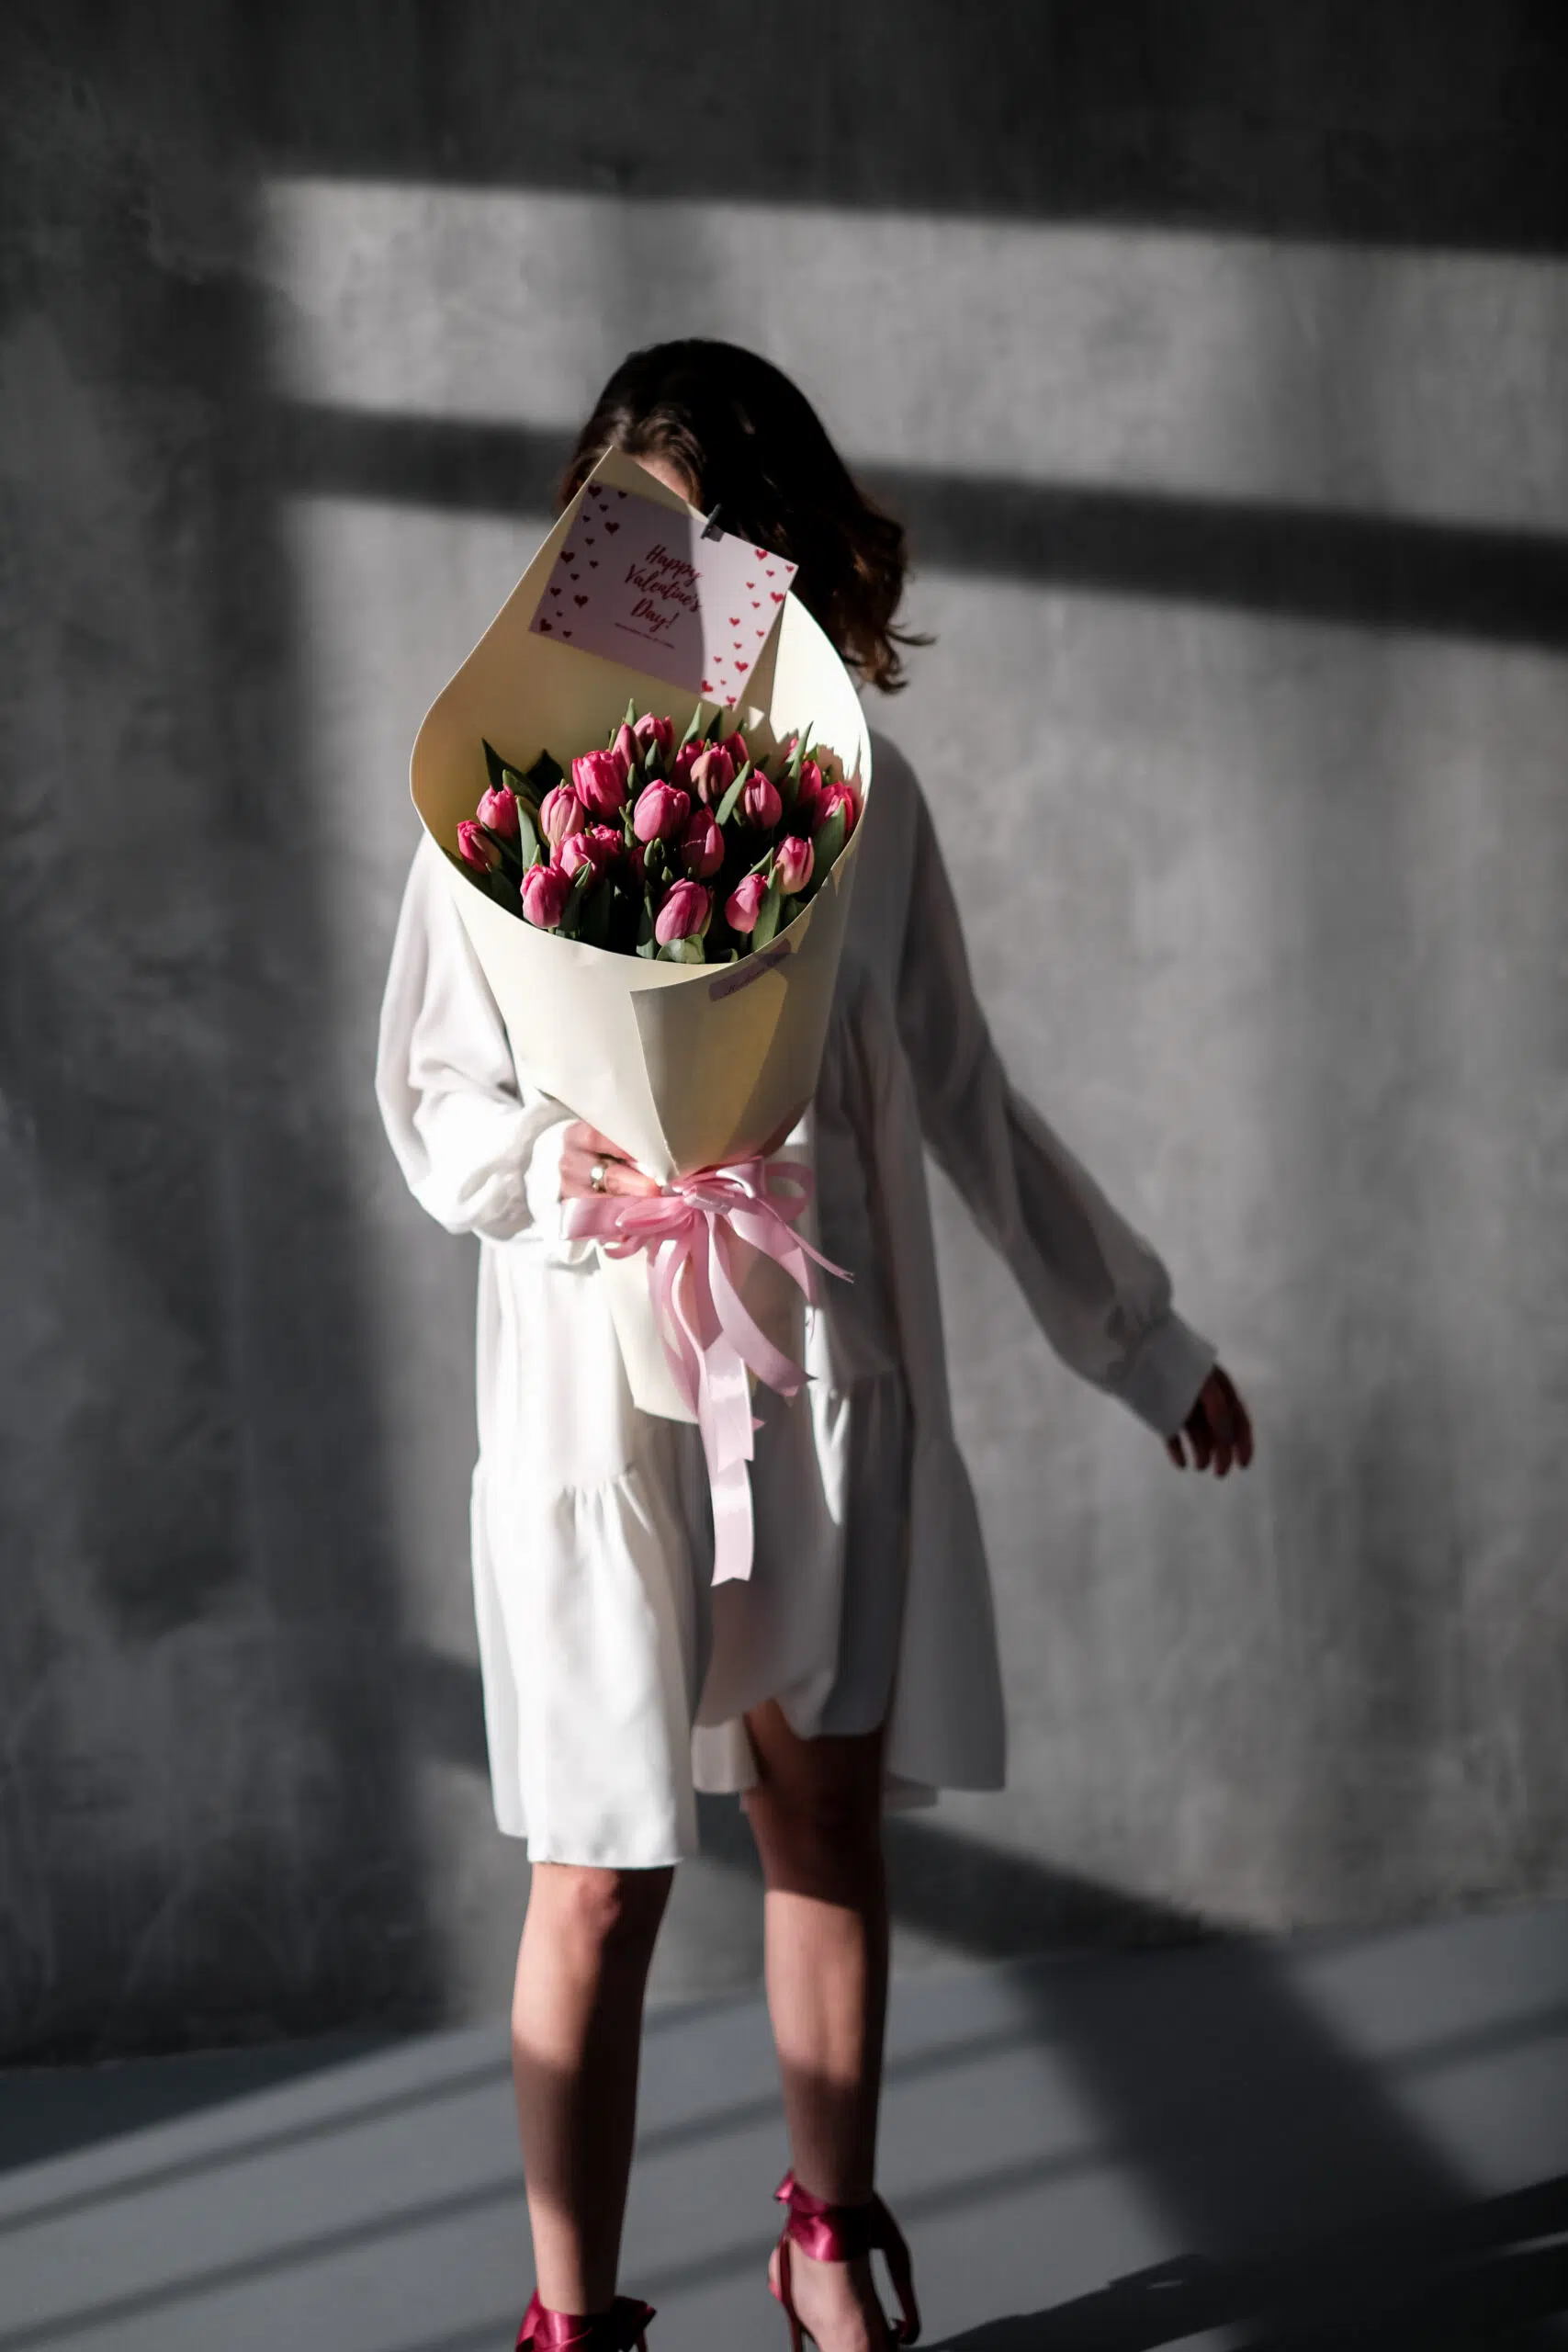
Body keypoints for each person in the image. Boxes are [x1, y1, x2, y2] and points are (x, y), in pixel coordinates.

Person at [376, 339, 1255, 2352]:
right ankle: (572, 2320)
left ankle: (828, 2241)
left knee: (824, 1818)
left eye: (710, 549)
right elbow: (428, 1093)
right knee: (600, 1873)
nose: (667, 587)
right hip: (597, 1402)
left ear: (774, 557)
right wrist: (565, 1164)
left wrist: (1141, 1340)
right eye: (629, 543)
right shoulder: (491, 796)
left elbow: (966, 1098)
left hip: (822, 1380)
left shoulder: (868, 804)